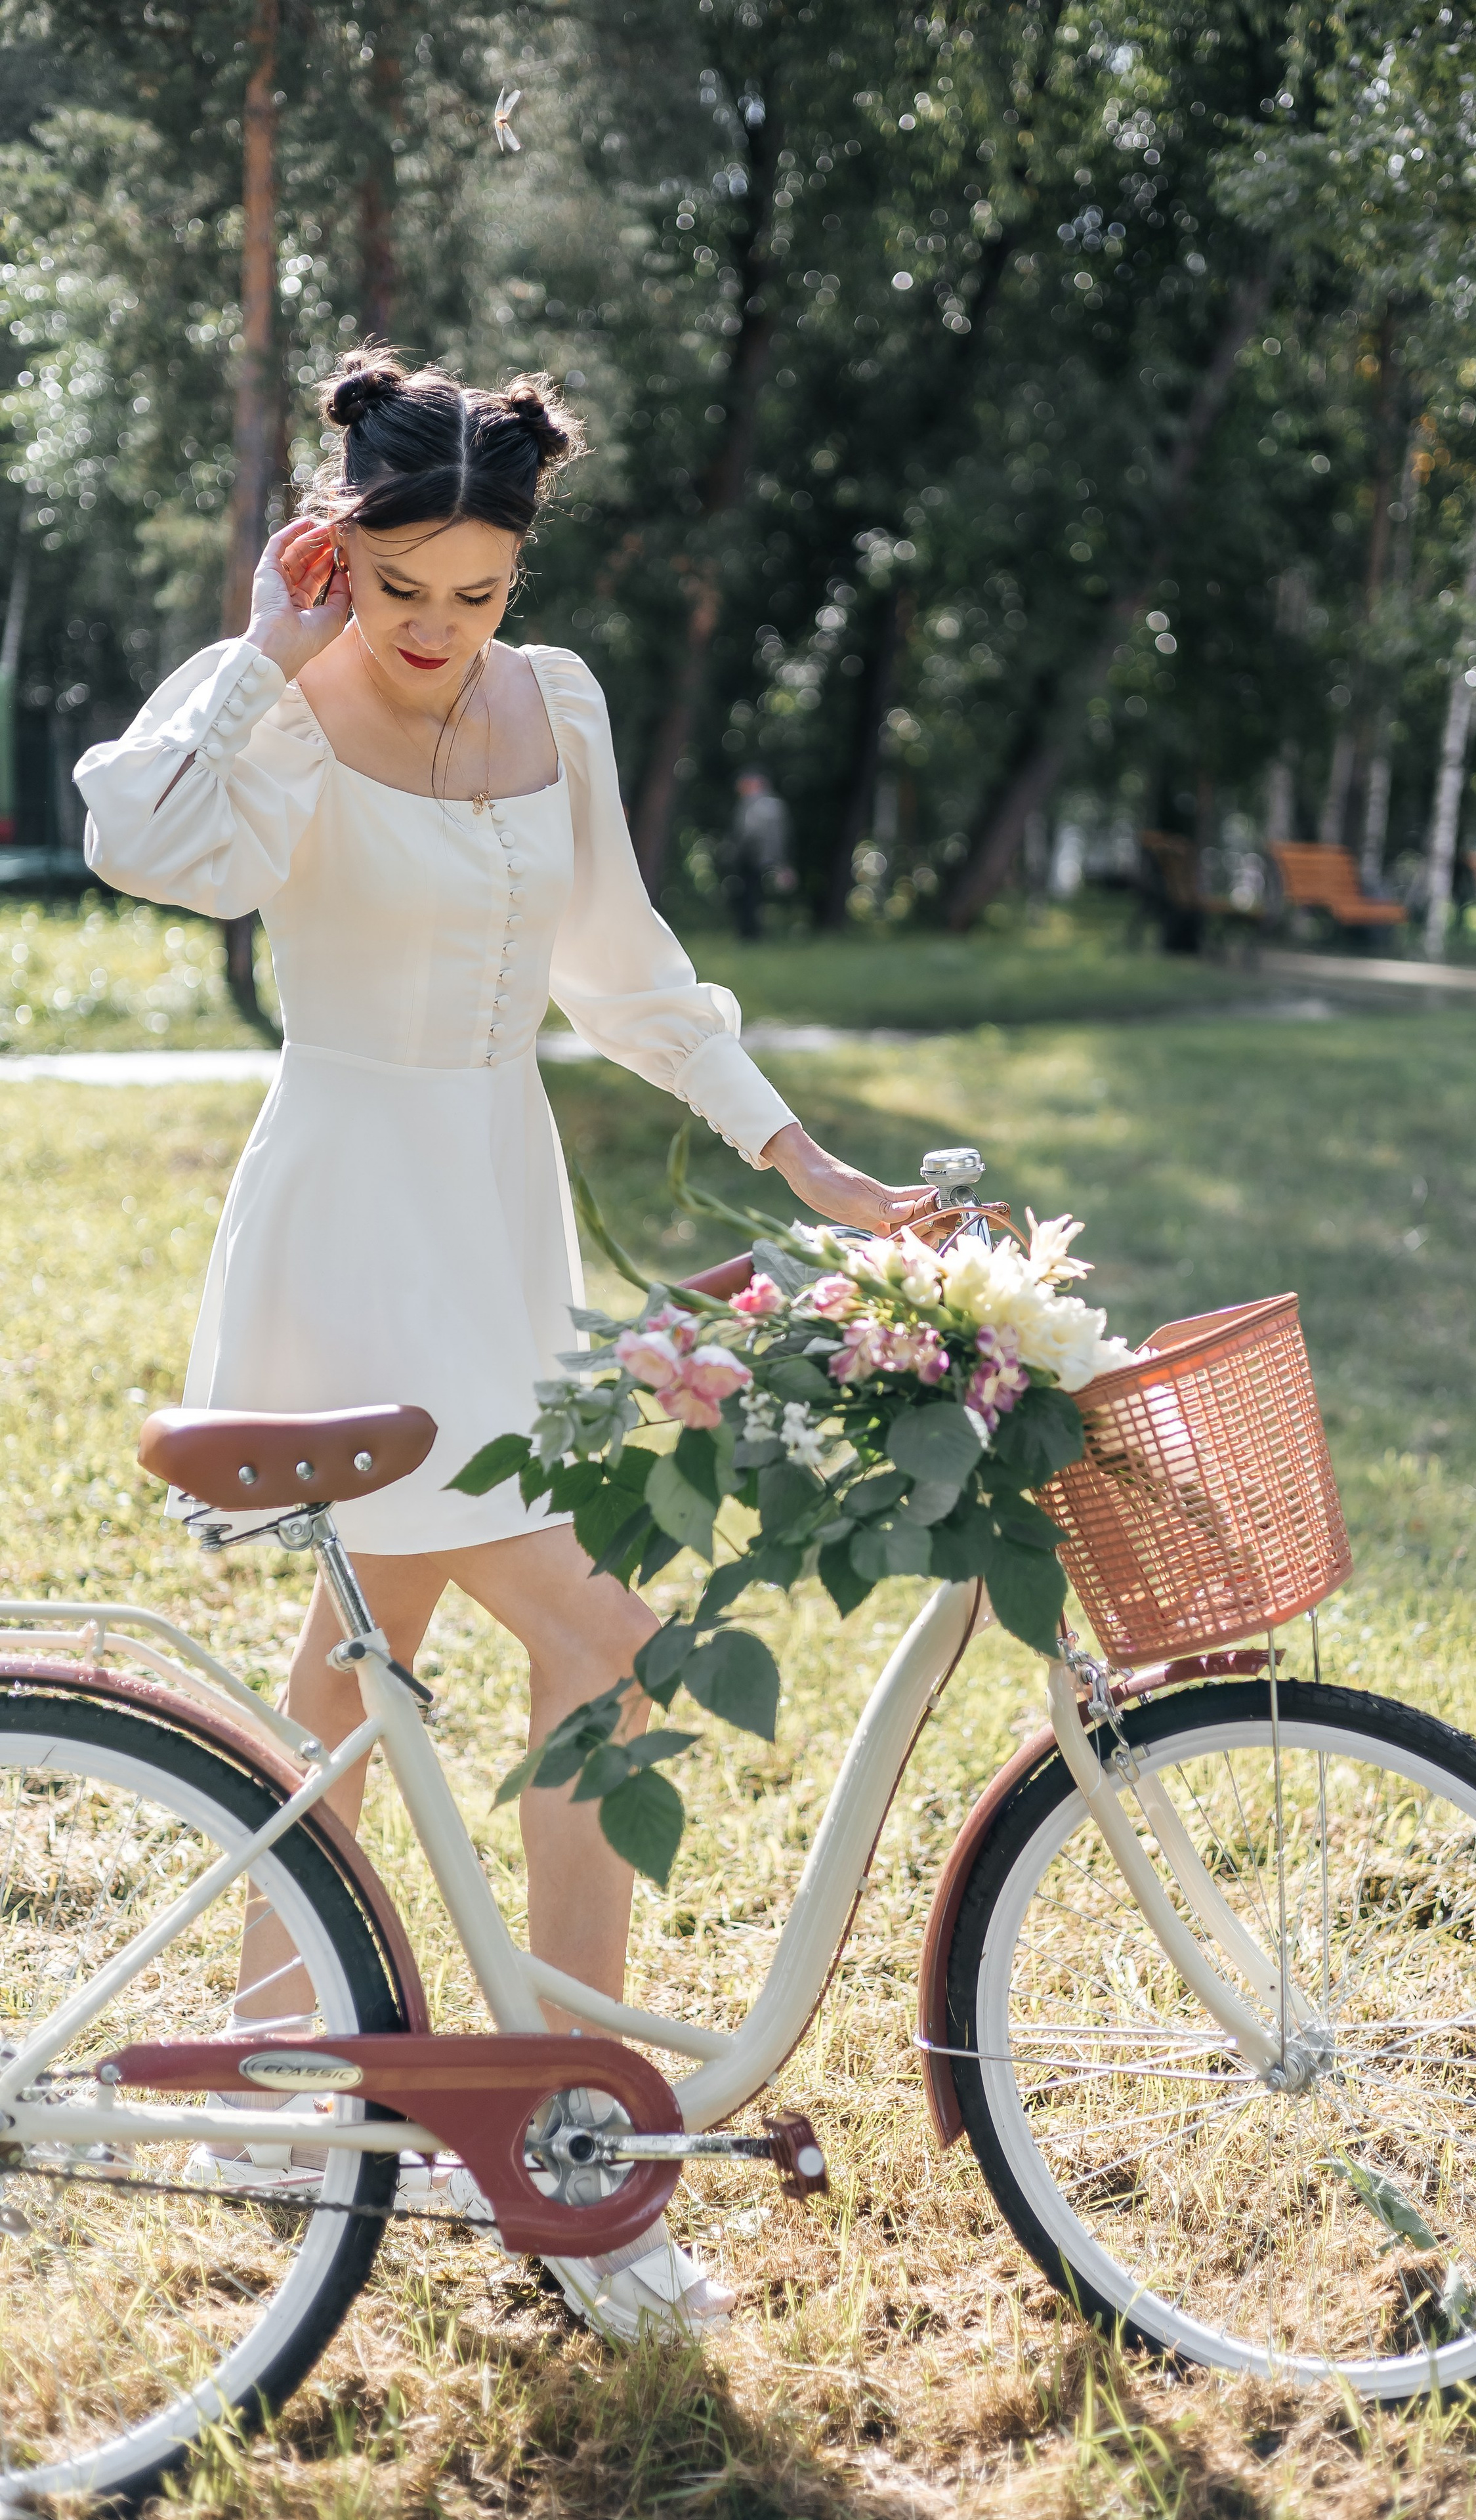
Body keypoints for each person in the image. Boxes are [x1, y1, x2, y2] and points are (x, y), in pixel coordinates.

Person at [74, 350, 938, 2341]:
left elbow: (622, 970)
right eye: (403, 595)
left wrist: (802, 1156)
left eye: (478, 593)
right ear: (339, 558)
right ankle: (568, 2165)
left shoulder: (560, 705)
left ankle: (329, 2093)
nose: (443, 636)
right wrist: (262, 650)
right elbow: (137, 832)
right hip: (344, 1224)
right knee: (570, 1647)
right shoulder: (285, 708)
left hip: (497, 1215)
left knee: (367, 1675)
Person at [720, 768, 794, 940]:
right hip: (746, 858)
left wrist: (780, 862)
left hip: (760, 858)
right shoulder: (747, 803)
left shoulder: (769, 805)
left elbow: (777, 836)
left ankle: (753, 934)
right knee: (747, 896)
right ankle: (747, 932)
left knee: (754, 896)